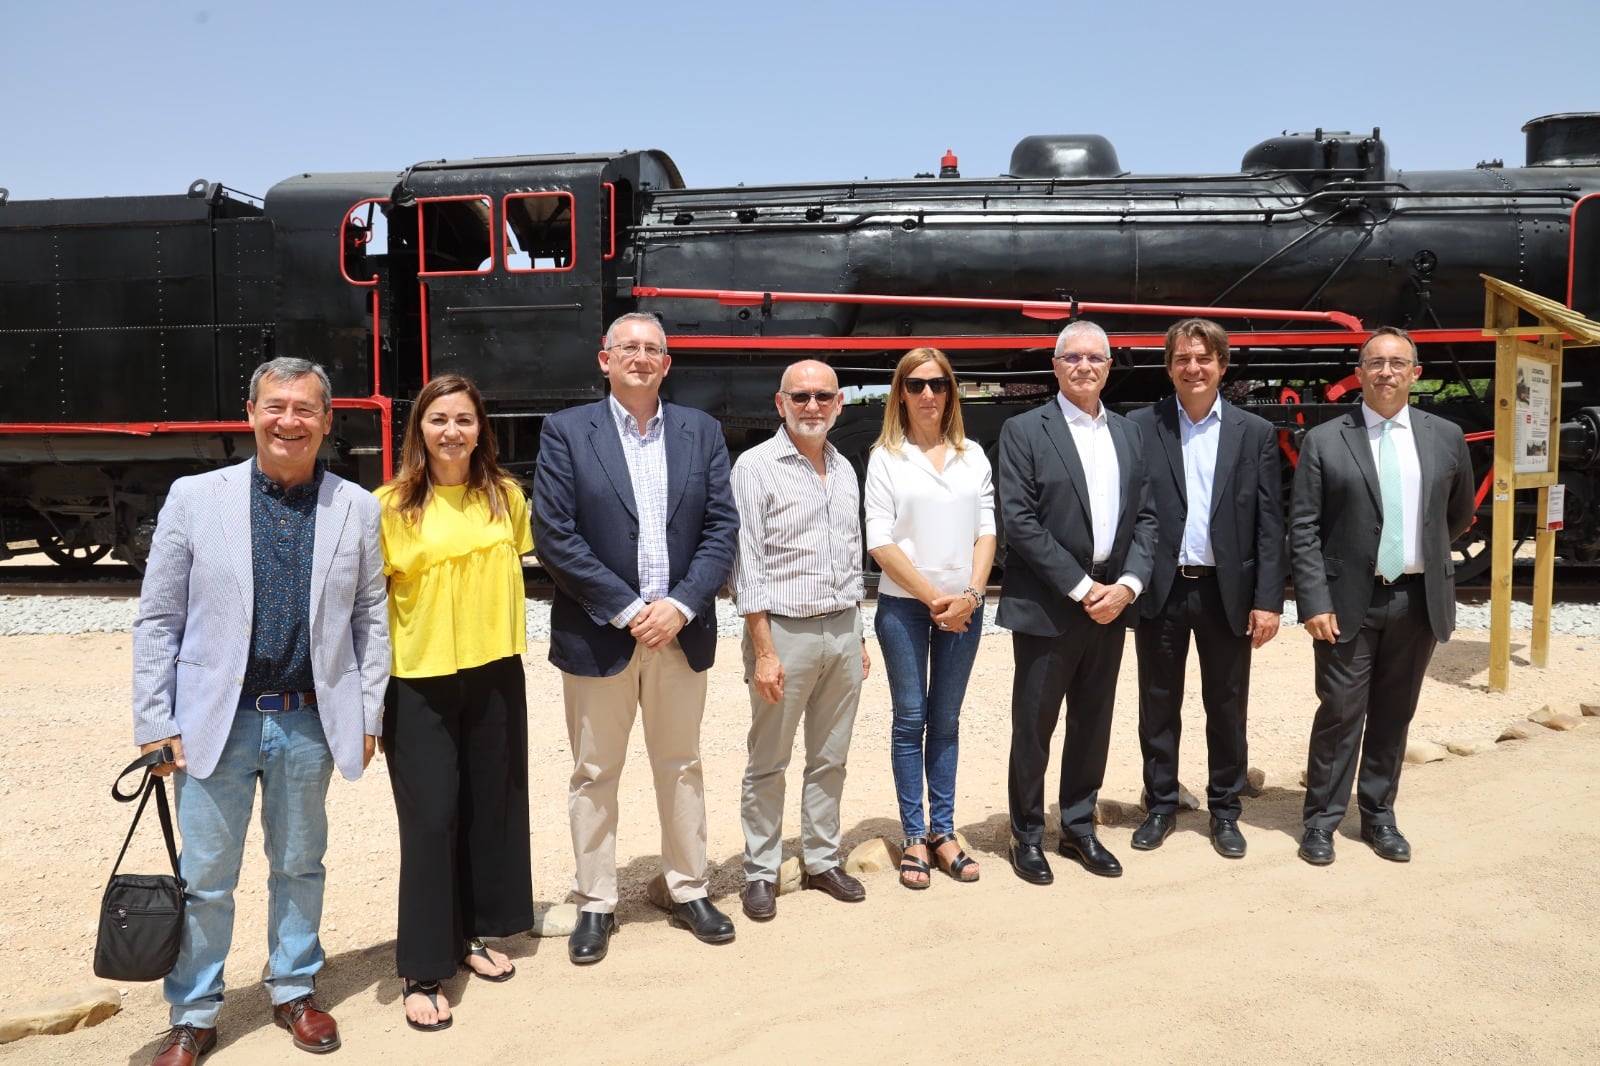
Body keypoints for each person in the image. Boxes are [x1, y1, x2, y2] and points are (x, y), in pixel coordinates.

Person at [131, 357, 389, 1066]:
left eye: (306, 409)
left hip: (308, 718)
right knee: (207, 876)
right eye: (276, 406)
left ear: (328, 421)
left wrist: (368, 716)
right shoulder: (194, 497)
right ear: (251, 412)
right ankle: (194, 1012)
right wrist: (157, 723)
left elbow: (372, 617)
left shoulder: (357, 507)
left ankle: (295, 990)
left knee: (301, 864)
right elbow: (159, 620)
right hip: (216, 722)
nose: (289, 421)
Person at [532, 312, 739, 965]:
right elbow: (554, 536)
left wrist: (678, 605)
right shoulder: (566, 431)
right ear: (605, 360)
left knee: (681, 764)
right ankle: (595, 901)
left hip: (680, 631)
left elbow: (720, 530)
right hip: (602, 633)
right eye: (630, 348)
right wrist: (627, 608)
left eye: (654, 349)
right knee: (595, 771)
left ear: (667, 363)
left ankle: (688, 887)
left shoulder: (700, 431)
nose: (642, 358)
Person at [376, 375, 533, 1032]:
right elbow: (363, 608)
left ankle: (469, 936)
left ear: (480, 429)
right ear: (420, 428)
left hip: (495, 673)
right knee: (432, 820)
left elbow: (514, 567)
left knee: (484, 812)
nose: (451, 432)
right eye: (438, 419)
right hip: (418, 683)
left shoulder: (506, 497)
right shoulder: (389, 506)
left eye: (464, 419)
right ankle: (421, 964)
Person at [1291, 327, 1475, 865]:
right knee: (1340, 712)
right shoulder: (1326, 439)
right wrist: (1314, 601)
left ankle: (1378, 817)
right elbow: (1302, 528)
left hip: (1417, 601)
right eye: (1376, 363)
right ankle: (1321, 822)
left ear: (1416, 374)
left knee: (1395, 715)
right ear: (1361, 372)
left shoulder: (1446, 436)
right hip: (1347, 603)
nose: (1387, 373)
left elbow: (1456, 515)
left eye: (1398, 364)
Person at [996, 320, 1157, 885]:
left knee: (1094, 721)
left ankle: (1080, 827)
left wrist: (1128, 585)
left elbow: (1148, 518)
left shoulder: (1132, 434)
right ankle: (1027, 834)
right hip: (1051, 604)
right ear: (1056, 366)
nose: (1084, 366)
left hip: (1113, 601)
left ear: (1109, 366)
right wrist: (1082, 587)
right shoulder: (1023, 430)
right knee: (1034, 724)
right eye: (1073, 357)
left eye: (1095, 357)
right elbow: (1018, 520)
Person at [1128, 319, 1286, 859]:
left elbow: (1270, 523)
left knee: (1226, 703)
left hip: (1227, 592)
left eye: (1203, 358)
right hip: (1162, 590)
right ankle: (1160, 804)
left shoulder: (1254, 433)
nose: (1192, 368)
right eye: (1182, 359)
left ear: (1222, 365)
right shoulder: (1141, 427)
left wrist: (1268, 600)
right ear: (1169, 366)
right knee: (1158, 701)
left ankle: (1225, 809)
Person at [731, 359, 871, 920]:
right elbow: (748, 566)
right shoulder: (756, 467)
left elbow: (850, 556)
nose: (812, 406)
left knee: (830, 758)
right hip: (783, 634)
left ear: (839, 404)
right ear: (780, 402)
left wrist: (857, 633)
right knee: (769, 760)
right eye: (801, 396)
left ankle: (820, 859)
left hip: (842, 627)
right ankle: (761, 871)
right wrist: (764, 651)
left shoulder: (843, 467)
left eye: (823, 397)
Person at [864, 348, 996, 888]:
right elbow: (879, 540)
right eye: (916, 385)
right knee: (910, 720)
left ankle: (943, 832)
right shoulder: (885, 458)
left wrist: (968, 595)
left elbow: (987, 531)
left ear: (951, 392)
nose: (927, 395)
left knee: (945, 722)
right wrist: (933, 600)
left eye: (938, 385)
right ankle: (913, 834)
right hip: (903, 608)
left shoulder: (973, 455)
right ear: (901, 393)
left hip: (965, 608)